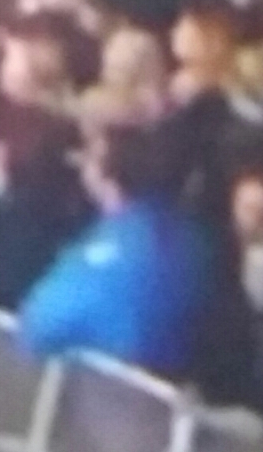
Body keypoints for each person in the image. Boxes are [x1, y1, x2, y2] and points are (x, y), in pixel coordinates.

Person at [15, 124, 215, 375]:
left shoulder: (114, 246)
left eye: (90, 155)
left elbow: (44, 321)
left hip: (100, 388)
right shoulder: (190, 239)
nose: (80, 161)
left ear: (107, 174)